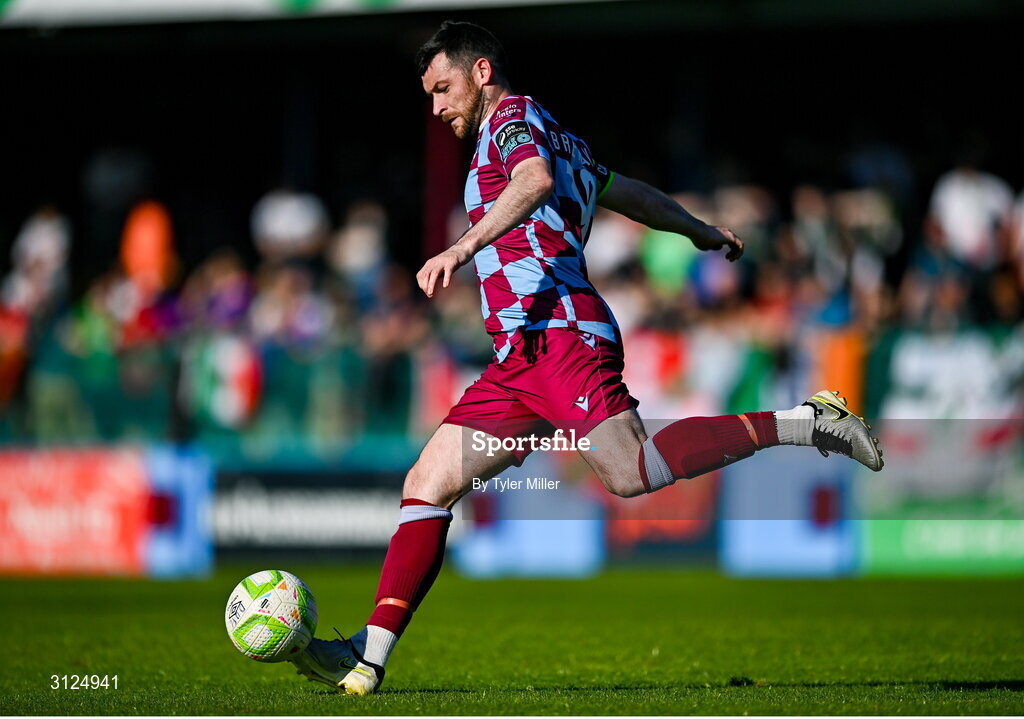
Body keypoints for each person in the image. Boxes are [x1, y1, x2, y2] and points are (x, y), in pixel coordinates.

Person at [290, 21, 883, 695]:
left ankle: (808, 420)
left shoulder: (513, 122)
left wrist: (460, 247)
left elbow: (536, 180)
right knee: (428, 481)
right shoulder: (555, 132)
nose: (437, 106)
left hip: (560, 333)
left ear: (481, 72)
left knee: (632, 471)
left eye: (443, 88)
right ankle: (367, 655)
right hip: (521, 354)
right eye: (428, 94)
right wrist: (699, 230)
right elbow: (626, 191)